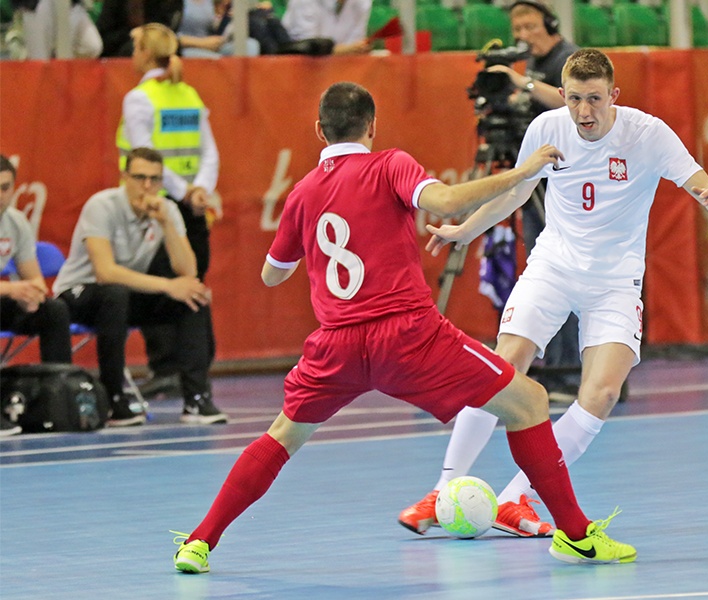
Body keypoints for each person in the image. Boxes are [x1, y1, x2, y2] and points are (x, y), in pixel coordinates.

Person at [171, 81, 636, 574]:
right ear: (371, 126)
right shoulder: (389, 163)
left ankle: (199, 542)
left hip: (337, 346)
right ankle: (578, 537)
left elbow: (272, 274)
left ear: (319, 131)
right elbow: (448, 202)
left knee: (281, 436)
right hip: (409, 337)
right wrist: (521, 173)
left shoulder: (302, 193)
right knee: (530, 402)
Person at [400, 48, 708, 538]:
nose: (584, 111)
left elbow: (700, 183)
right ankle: (440, 488)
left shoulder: (647, 133)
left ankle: (516, 496)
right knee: (502, 365)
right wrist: (466, 230)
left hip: (615, 281)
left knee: (601, 393)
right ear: (562, 95)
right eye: (575, 98)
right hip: (553, 266)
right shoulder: (546, 129)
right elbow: (516, 193)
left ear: (613, 96)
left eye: (595, 99)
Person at [52, 147, 227, 427]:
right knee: (116, 295)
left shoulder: (166, 209)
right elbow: (106, 272)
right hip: (78, 295)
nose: (147, 186)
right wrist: (168, 285)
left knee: (192, 294)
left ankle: (196, 399)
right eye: (139, 177)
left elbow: (188, 270)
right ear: (124, 177)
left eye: (155, 180)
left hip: (124, 297)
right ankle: (114, 398)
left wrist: (167, 224)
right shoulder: (102, 205)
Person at [483, 0, 583, 401]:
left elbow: (572, 102)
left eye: (529, 26)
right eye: (516, 29)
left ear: (550, 22)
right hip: (540, 175)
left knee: (564, 271)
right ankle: (547, 366)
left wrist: (519, 82)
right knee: (541, 270)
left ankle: (568, 371)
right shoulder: (532, 65)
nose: (522, 35)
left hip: (567, 184)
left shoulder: (568, 58)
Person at [117, 22, 220, 398]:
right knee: (191, 282)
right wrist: (199, 190)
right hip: (193, 204)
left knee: (165, 283)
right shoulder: (188, 93)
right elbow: (210, 153)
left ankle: (169, 369)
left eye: (135, 49)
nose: (132, 57)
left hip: (156, 204)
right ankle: (193, 370)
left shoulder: (140, 98)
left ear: (145, 53)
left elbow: (148, 159)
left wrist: (182, 192)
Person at [0, 154, 72, 436]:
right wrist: (12, 289)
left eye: (5, 188)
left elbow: (35, 280)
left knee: (53, 311)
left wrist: (32, 294)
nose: (0, 195)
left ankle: (59, 398)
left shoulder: (16, 222)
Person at [281, 0, 372, 55]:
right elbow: (307, 47)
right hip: (297, 68)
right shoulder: (304, 2)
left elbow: (355, 43)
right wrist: (342, 50)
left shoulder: (362, 2)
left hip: (340, 69)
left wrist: (356, 48)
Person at [19, 0, 102, 59]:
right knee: (39, 61)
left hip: (71, 6)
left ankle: (57, 64)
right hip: (38, 5)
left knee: (92, 46)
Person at [96, 0, 181, 57]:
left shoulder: (163, 3)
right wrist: (130, 34)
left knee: (171, 49)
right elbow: (104, 35)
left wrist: (146, 32)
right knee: (132, 47)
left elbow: (167, 29)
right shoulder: (115, 2)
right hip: (119, 50)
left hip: (154, 41)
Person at [177, 0, 261, 58]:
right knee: (218, 60)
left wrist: (228, 19)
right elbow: (169, 35)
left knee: (251, 45)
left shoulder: (211, 2)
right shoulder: (176, 3)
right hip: (187, 47)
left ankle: (243, 81)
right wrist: (203, 43)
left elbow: (214, 25)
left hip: (212, 44)